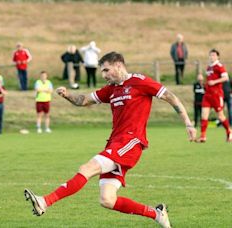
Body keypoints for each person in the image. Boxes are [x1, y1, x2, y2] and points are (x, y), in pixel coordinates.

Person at [24, 52, 196, 228]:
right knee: (107, 199)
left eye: (106, 70)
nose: (104, 75)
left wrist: (188, 124)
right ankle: (157, 214)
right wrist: (67, 95)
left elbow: (170, 97)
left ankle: (45, 201)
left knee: (87, 168)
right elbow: (84, 100)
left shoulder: (140, 81)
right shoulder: (111, 89)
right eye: (102, 71)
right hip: (115, 143)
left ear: (118, 65)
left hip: (131, 142)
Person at [197, 49, 231, 142]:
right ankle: (203, 136)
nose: (211, 57)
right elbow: (208, 82)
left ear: (217, 57)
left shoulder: (219, 66)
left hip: (217, 95)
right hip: (207, 95)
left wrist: (215, 82)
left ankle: (229, 131)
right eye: (210, 55)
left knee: (220, 116)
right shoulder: (209, 67)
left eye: (213, 55)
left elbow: (226, 77)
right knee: (204, 115)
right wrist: (201, 81)